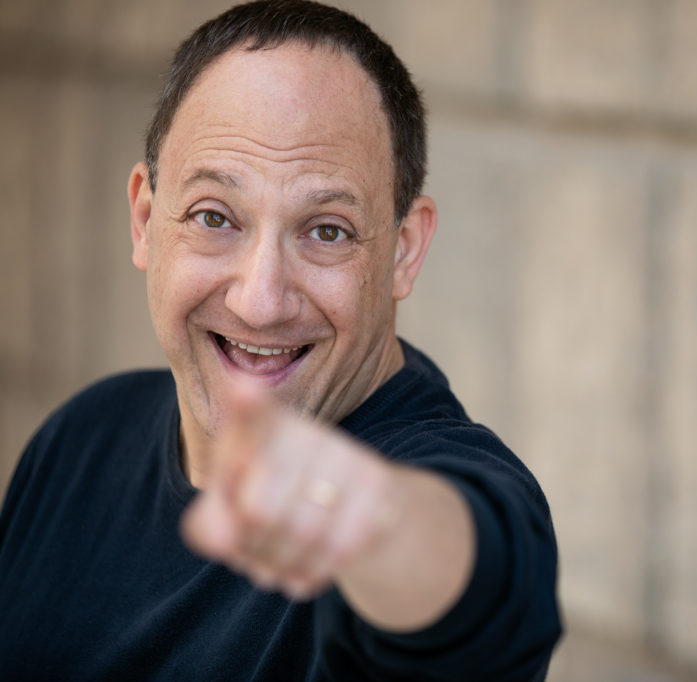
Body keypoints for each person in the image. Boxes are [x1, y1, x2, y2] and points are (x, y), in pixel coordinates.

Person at [0, 1, 561, 679]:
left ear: (404, 250)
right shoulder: (82, 439)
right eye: (214, 217)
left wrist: (381, 526)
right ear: (145, 220)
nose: (260, 302)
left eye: (327, 230)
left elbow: (484, 591)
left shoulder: (428, 474)